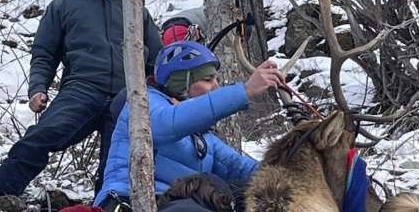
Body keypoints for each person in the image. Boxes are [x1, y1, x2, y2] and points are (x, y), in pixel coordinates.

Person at [0, 0, 164, 199]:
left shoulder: (135, 9)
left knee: (117, 165)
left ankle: (104, 205)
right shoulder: (63, 7)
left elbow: (157, 58)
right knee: (42, 136)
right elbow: (44, 53)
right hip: (82, 89)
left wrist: (158, 93)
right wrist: (38, 88)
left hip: (127, 96)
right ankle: (0, 194)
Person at [94, 40, 285, 212]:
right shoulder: (142, 104)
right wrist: (245, 90)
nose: (216, 86)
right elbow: (170, 123)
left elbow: (243, 168)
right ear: (180, 83)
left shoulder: (204, 138)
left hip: (180, 203)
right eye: (208, 79)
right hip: (127, 202)